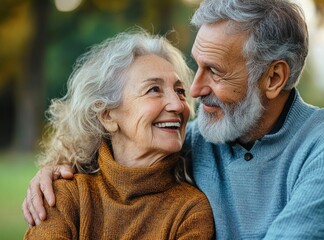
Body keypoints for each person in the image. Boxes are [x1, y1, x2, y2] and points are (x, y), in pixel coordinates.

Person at [23, 0, 324, 239]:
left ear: (273, 78)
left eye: (215, 71)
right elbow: (126, 151)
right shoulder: (198, 138)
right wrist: (54, 172)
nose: (193, 90)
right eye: (197, 66)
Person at [23, 29, 215, 239]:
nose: (178, 105)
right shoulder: (64, 195)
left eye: (180, 91)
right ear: (107, 116)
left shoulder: (190, 211)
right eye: (154, 89)